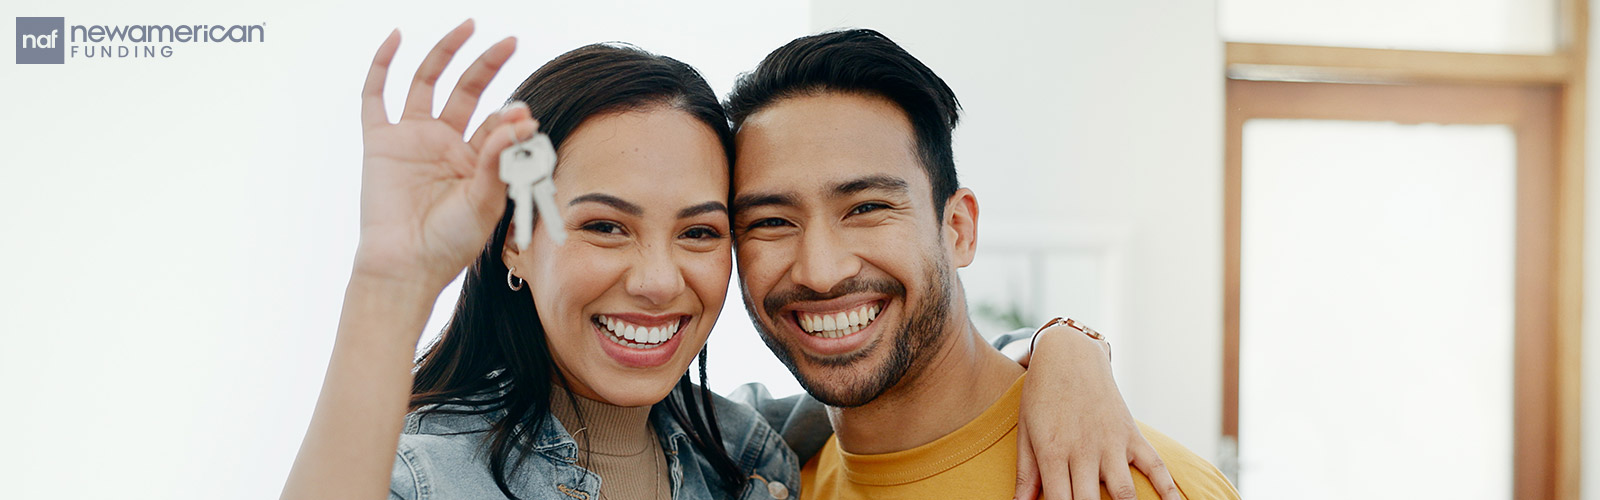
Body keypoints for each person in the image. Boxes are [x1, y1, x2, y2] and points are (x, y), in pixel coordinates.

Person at [280, 20, 1177, 500]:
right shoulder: (424, 471)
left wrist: (1063, 348)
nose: (660, 278)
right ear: (514, 239)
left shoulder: (746, 451)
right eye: (604, 226)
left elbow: (909, 387)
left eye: (703, 231)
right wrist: (388, 285)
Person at [724, 29, 1242, 500]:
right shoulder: (762, 475)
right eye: (771, 221)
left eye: (866, 208)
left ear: (958, 229)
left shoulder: (1139, 485)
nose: (821, 271)